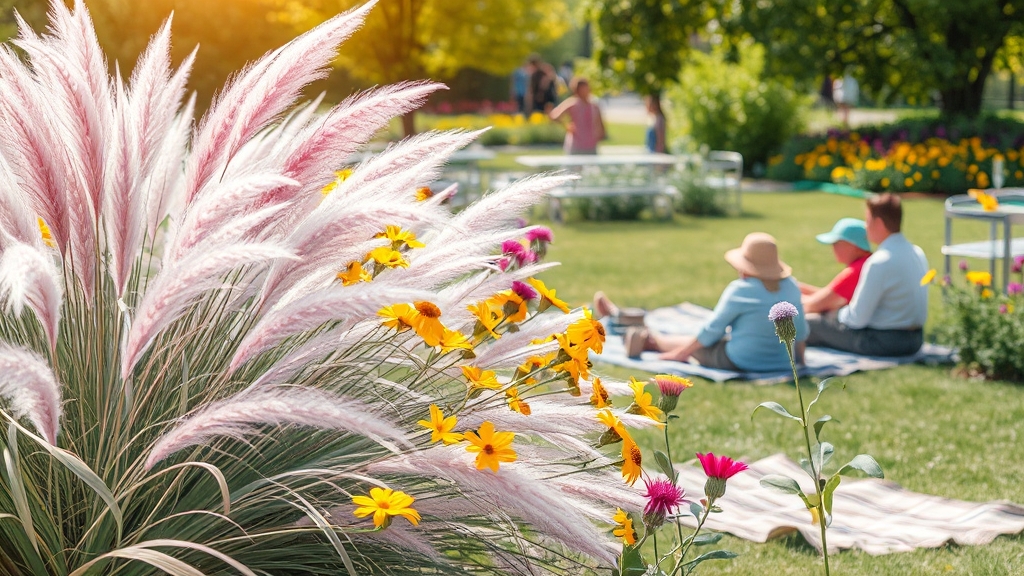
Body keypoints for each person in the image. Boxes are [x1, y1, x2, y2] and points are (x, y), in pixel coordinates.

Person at [595, 232, 809, 372]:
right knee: (706, 341)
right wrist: (801, 363)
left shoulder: (740, 290)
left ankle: (645, 337)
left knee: (696, 344)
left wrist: (680, 354)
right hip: (782, 362)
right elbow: (800, 331)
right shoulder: (791, 286)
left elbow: (711, 331)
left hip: (742, 361)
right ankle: (626, 322)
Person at [806, 194, 928, 356]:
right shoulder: (917, 252)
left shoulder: (879, 261)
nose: (866, 226)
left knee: (806, 323)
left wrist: (835, 312)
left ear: (878, 223)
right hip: (916, 341)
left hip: (884, 342)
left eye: (867, 220)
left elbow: (856, 319)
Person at [799, 218, 872, 314]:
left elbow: (813, 306)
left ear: (853, 245)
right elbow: (828, 295)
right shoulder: (866, 263)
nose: (833, 248)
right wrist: (795, 287)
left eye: (836, 243)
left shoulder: (855, 270)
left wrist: (785, 295)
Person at [549, 77, 606, 155]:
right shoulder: (572, 103)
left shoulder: (594, 105)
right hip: (576, 144)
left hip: (591, 144)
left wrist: (601, 134)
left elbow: (600, 123)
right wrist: (566, 126)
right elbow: (554, 115)